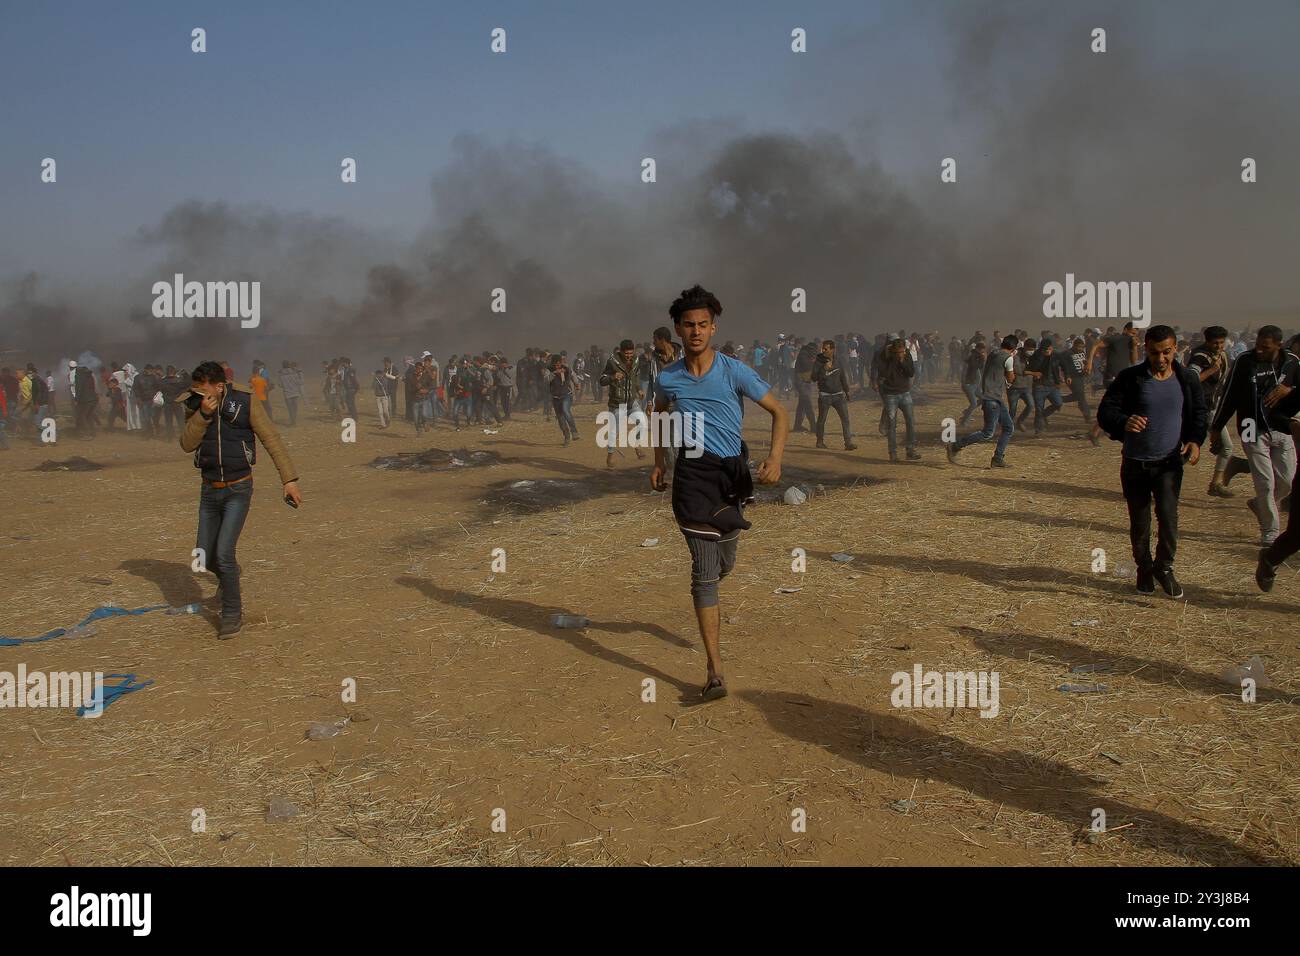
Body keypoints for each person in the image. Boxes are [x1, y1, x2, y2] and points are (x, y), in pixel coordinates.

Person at [650, 284, 787, 702]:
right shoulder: (668, 377)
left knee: (725, 560)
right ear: (677, 328)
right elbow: (657, 415)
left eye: (703, 324)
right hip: (692, 477)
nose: (696, 331)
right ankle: (714, 671)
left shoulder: (734, 371)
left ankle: (714, 579)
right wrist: (660, 461)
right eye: (688, 325)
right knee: (704, 571)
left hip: (731, 476)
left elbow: (779, 412)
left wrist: (775, 458)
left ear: (713, 327)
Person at [179, 360, 302, 639]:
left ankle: (232, 615)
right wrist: (203, 416)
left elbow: (271, 438)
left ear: (219, 387)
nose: (199, 395)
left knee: (224, 553)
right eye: (196, 391)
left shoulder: (245, 401)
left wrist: (289, 480)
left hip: (238, 488)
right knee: (205, 557)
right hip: (209, 490)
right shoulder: (194, 405)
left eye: (204, 390)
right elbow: (187, 444)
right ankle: (230, 577)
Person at [1097, 325, 1206, 598]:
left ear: (1176, 349)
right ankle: (1144, 569)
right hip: (1135, 463)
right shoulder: (1130, 378)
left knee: (1169, 519)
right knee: (1140, 522)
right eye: (1155, 352)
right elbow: (1106, 411)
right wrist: (1124, 420)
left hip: (1169, 463)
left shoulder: (1186, 379)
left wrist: (1195, 440)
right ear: (1146, 349)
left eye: (1166, 352)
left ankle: (1164, 568)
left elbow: (1199, 413)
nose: (1161, 359)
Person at [1208, 326, 1299, 546]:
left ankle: (1261, 505)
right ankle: (1270, 531)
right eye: (1257, 345)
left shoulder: (1293, 362)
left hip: (1282, 426)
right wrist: (1216, 428)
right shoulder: (1245, 361)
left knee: (1286, 481)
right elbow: (1229, 395)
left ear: (1279, 345)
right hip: (1251, 426)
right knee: (1265, 481)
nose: (1259, 350)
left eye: (1265, 348)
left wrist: (1290, 390)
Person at [1186, 326, 1243, 497]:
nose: (1219, 346)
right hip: (1199, 408)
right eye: (1215, 343)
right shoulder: (1199, 356)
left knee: (1226, 447)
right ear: (1207, 341)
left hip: (1213, 408)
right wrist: (1211, 370)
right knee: (1188, 448)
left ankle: (1216, 484)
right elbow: (1191, 380)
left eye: (1221, 342)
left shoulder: (1223, 355)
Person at [946, 335, 1018, 468]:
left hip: (993, 397)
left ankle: (997, 458)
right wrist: (1012, 359)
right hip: (993, 399)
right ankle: (956, 445)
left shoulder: (993, 352)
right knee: (987, 433)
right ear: (1014, 347)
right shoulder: (1008, 358)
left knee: (1008, 427)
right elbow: (1011, 377)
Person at [599, 339, 647, 468]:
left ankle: (636, 445)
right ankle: (610, 456)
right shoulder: (612, 362)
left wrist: (639, 389)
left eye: (631, 353)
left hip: (631, 401)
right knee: (615, 431)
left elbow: (635, 377)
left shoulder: (636, 360)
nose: (629, 356)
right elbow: (601, 380)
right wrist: (613, 377)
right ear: (620, 351)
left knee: (642, 421)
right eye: (627, 354)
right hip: (617, 402)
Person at [877, 337, 920, 462]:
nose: (902, 354)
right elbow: (884, 374)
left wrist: (902, 361)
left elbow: (911, 372)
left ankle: (910, 450)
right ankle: (893, 453)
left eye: (903, 351)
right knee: (892, 425)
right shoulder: (885, 358)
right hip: (891, 394)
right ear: (894, 351)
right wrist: (893, 360)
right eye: (899, 352)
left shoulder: (906, 356)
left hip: (905, 392)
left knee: (911, 422)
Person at [812, 339, 857, 451]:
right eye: (823, 348)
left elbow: (842, 377)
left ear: (833, 349)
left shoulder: (839, 361)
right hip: (824, 395)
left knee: (845, 419)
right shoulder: (819, 361)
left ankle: (848, 442)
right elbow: (813, 377)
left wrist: (847, 391)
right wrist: (824, 369)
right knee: (822, 419)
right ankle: (820, 441)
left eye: (826, 349)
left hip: (838, 394)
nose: (823, 351)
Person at [548, 353, 579, 445]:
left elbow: (573, 375)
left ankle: (574, 432)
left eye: (559, 363)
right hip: (555, 397)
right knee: (560, 419)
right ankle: (566, 436)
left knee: (566, 411)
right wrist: (554, 373)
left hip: (566, 395)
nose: (557, 366)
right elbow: (545, 380)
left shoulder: (567, 368)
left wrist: (577, 384)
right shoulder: (549, 370)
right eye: (555, 364)